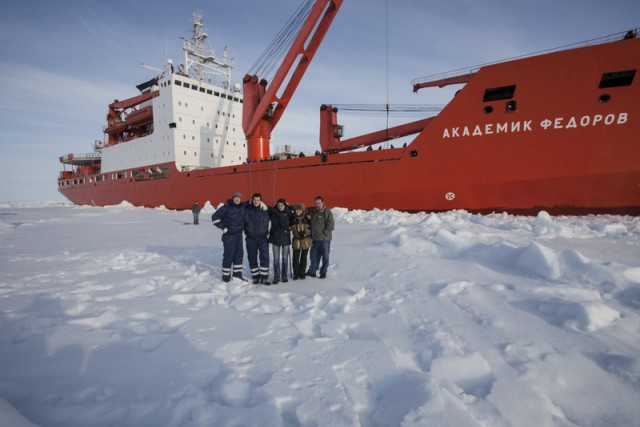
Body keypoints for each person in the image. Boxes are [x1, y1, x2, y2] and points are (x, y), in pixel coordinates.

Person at [211, 192, 247, 282]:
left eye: (239, 198)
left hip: (239, 235)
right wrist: (223, 227)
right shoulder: (226, 207)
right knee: (228, 256)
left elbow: (252, 202)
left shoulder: (242, 206)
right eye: (235, 198)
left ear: (241, 199)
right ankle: (226, 277)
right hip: (229, 236)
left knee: (238, 255)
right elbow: (214, 217)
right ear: (233, 198)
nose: (237, 199)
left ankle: (237, 275)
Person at [244, 193, 271, 285]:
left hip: (263, 238)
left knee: (264, 257)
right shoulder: (247, 209)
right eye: (254, 200)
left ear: (261, 201)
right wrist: (247, 202)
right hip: (250, 239)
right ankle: (255, 277)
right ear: (252, 200)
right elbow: (236, 205)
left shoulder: (266, 210)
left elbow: (279, 210)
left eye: (258, 200)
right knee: (252, 258)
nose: (256, 202)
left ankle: (264, 277)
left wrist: (286, 205)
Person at [306, 196, 334, 279]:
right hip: (315, 239)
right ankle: (312, 271)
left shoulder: (327, 212)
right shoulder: (313, 211)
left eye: (319, 203)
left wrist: (323, 234)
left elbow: (331, 225)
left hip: (324, 239)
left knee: (325, 256)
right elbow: (302, 209)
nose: (317, 205)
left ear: (323, 203)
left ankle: (323, 272)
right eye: (316, 203)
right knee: (313, 256)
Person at [268, 199, 293, 284]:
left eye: (281, 205)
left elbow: (294, 218)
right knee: (276, 259)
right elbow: (266, 208)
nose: (280, 207)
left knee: (285, 259)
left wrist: (289, 206)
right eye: (278, 205)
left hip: (285, 238)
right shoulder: (273, 212)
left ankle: (284, 275)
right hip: (275, 238)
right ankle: (276, 276)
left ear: (285, 205)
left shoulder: (289, 212)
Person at [290, 203, 312, 280]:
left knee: (304, 257)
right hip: (296, 240)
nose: (298, 211)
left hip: (306, 240)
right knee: (295, 258)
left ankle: (302, 273)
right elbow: (288, 228)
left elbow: (312, 227)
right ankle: (296, 274)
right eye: (296, 210)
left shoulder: (307, 218)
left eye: (299, 210)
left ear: (302, 210)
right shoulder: (292, 219)